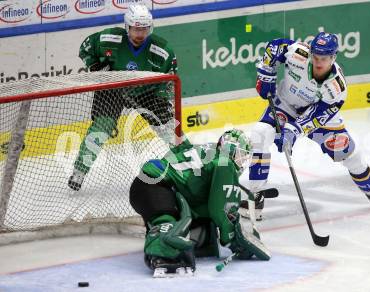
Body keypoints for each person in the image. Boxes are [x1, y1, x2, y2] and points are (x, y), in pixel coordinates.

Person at [248, 32, 370, 215]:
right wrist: (266, 74)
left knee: (351, 154)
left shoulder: (336, 87)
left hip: (320, 121)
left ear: (333, 57)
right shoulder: (298, 54)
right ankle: (256, 195)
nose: (319, 62)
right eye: (315, 56)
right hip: (285, 106)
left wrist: (293, 131)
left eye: (324, 58)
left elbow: (314, 117)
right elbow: (274, 47)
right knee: (260, 134)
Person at [129, 129, 270, 277]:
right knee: (168, 224)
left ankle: (173, 238)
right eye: (242, 155)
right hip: (155, 186)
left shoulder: (209, 154)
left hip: (151, 186)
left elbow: (205, 203)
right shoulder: (225, 163)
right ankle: (163, 253)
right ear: (231, 150)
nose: (242, 161)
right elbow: (219, 210)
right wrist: (232, 239)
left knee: (199, 223)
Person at [68, 3, 177, 191]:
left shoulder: (162, 50)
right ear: (127, 27)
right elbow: (85, 48)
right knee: (101, 128)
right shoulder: (109, 38)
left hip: (146, 91)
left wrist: (161, 98)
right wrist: (94, 66)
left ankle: (187, 163)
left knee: (168, 127)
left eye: (144, 29)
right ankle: (79, 171)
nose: (140, 34)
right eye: (136, 29)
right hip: (113, 88)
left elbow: (169, 80)